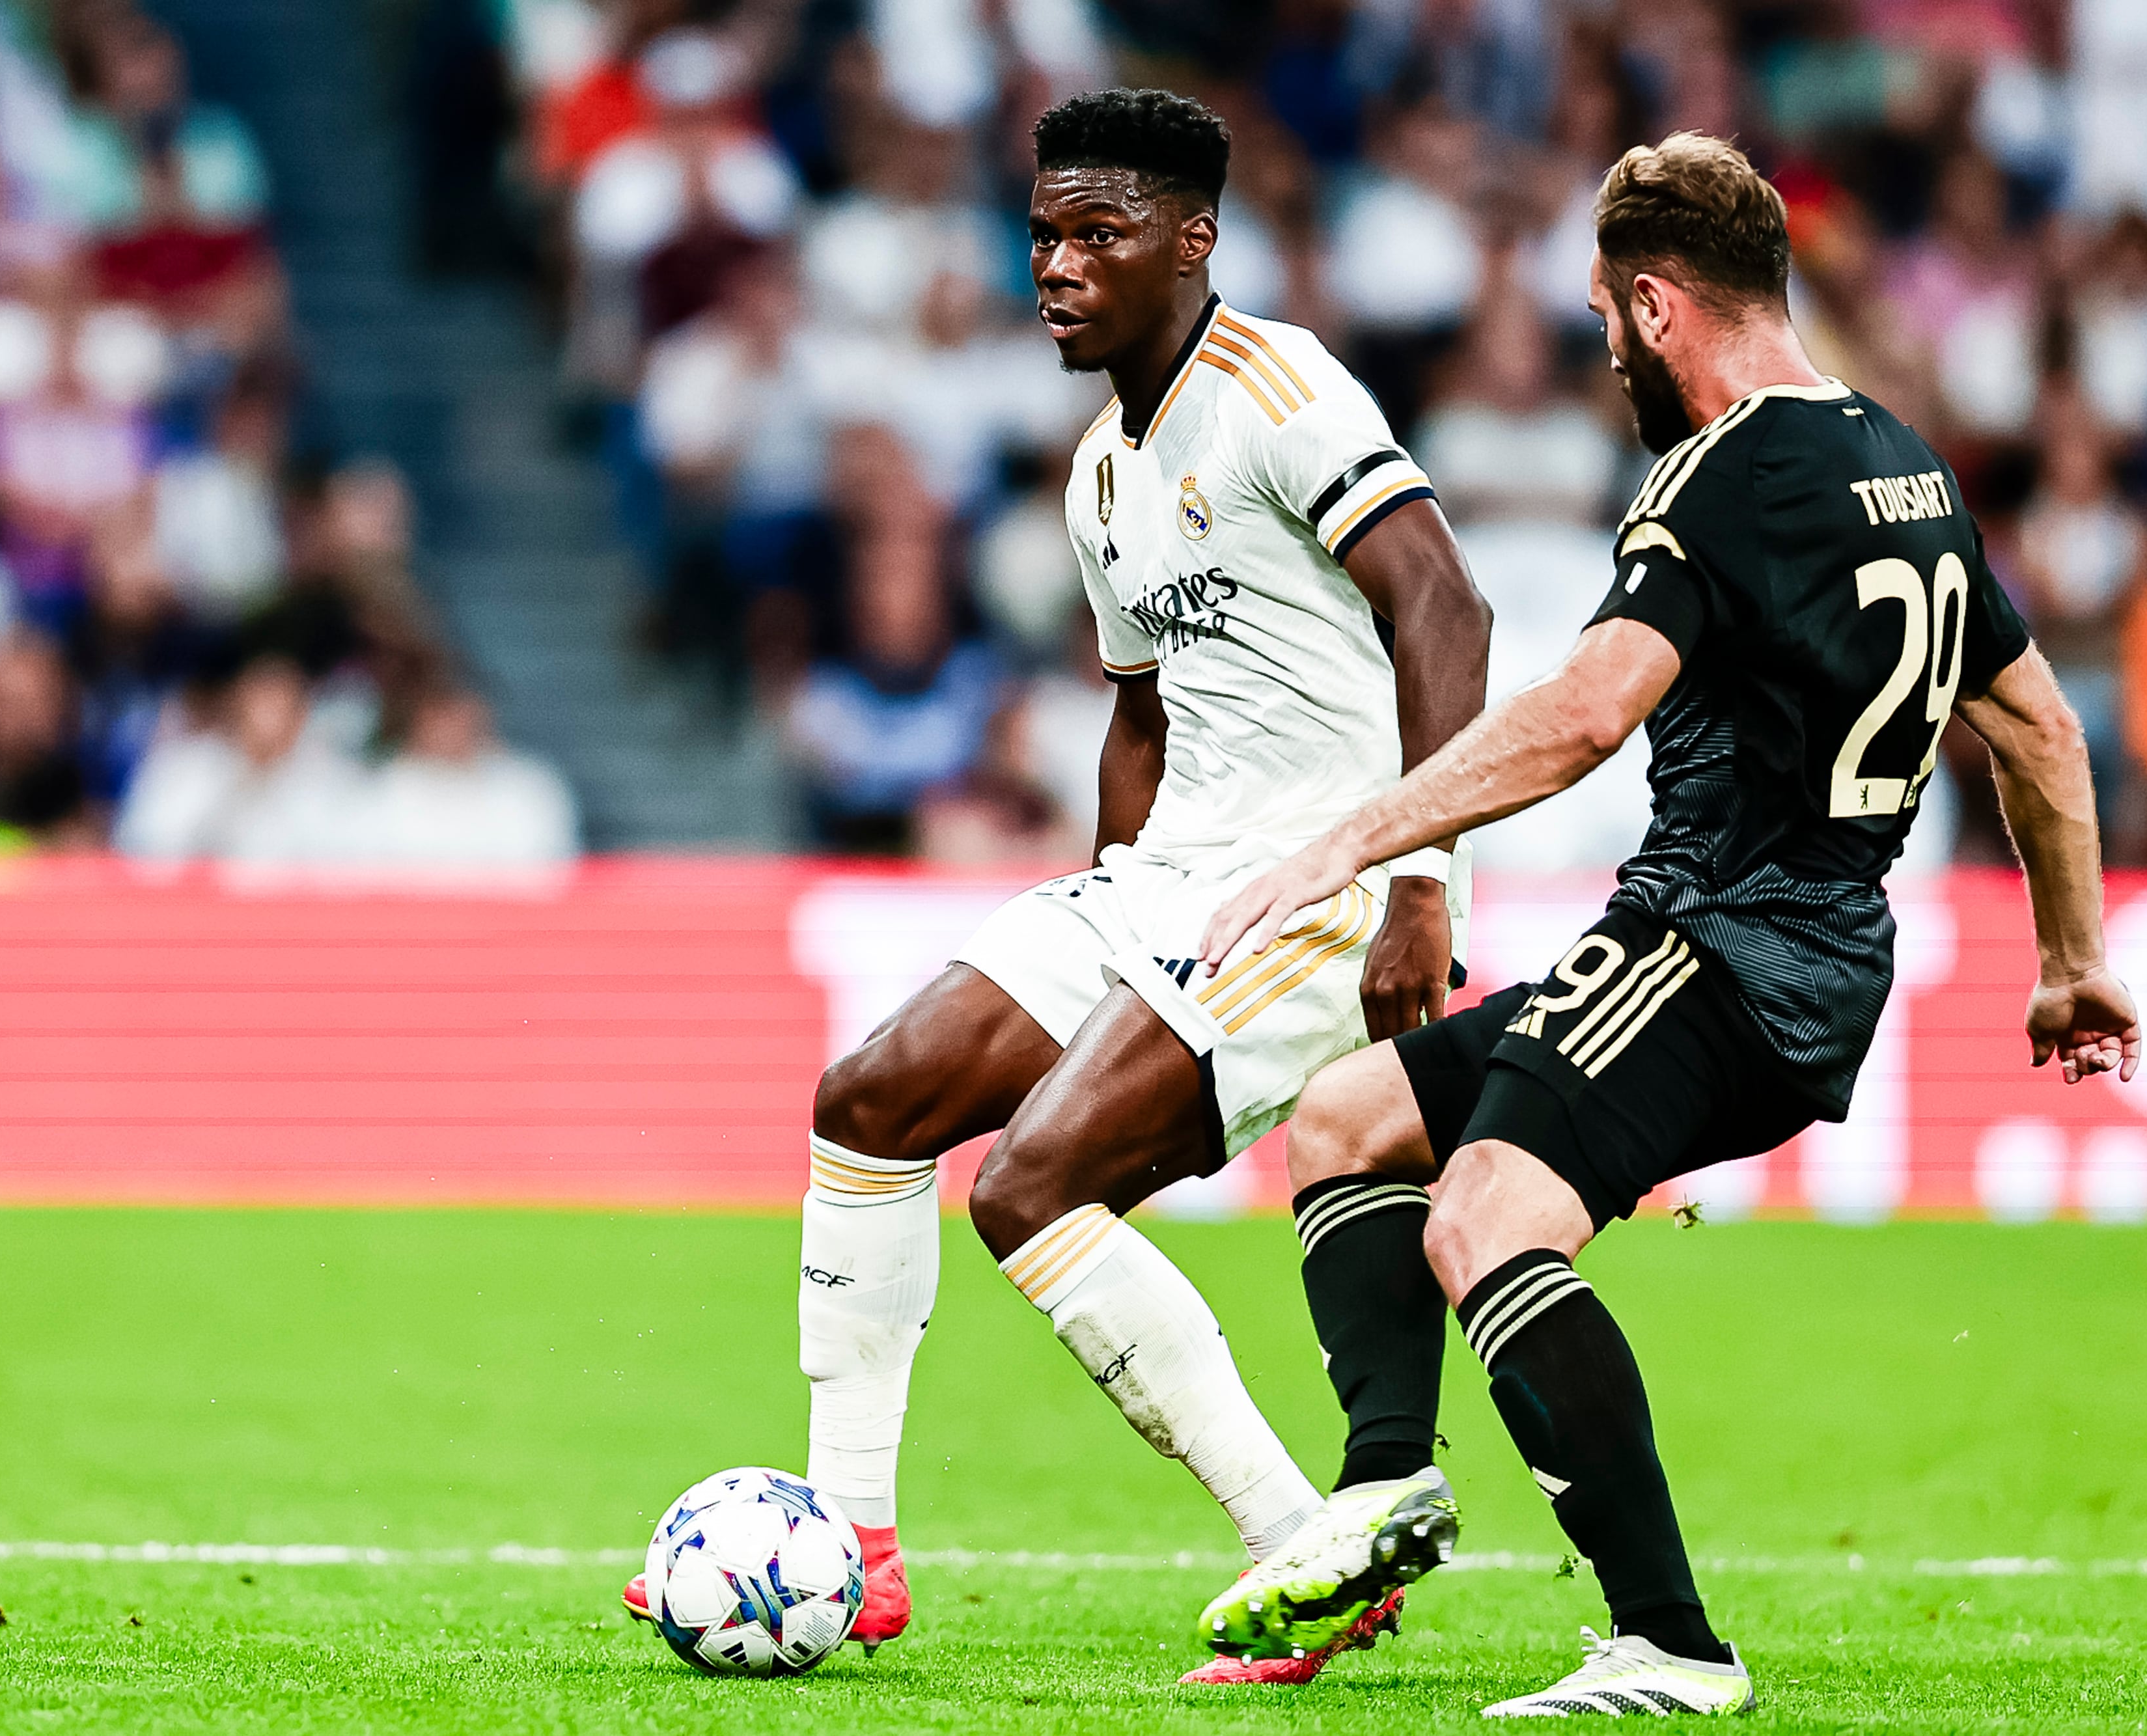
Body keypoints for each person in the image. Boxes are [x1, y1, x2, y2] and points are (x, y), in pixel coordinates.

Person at [1187, 132, 2142, 1718]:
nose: (1603, 355)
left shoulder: (1716, 473)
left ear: (1653, 305)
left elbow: (1582, 715)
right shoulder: (1899, 457)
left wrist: (1352, 838)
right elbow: (2033, 721)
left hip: (1721, 941)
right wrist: (2071, 959)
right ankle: (1381, 1493)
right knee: (1349, 1119)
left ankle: (1668, 1644)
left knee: (1484, 1215)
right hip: (1792, 947)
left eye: (1602, 320)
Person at [620, 89, 1494, 1685]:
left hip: (1310, 890)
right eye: (1043, 233)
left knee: (1028, 1187)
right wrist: (1105, 916)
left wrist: (1419, 875)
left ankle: (1302, 1537)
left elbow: (1445, 603)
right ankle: (856, 1540)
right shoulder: (1101, 470)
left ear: (1192, 241)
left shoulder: (1278, 385)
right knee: (867, 1099)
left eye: (1099, 234)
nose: (1059, 266)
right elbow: (1142, 712)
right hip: (1159, 887)